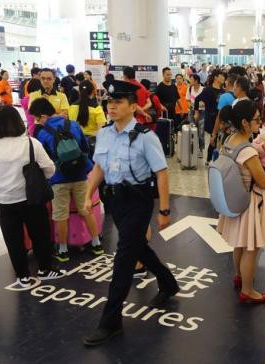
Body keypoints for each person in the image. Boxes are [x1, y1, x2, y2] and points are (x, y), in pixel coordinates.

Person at [82, 80, 179, 346]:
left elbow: (161, 172)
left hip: (138, 202)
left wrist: (164, 209)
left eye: (118, 102)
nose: (111, 106)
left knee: (123, 260)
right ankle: (168, 283)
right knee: (137, 248)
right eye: (109, 102)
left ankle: (110, 322)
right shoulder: (104, 134)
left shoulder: (146, 137)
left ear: (133, 106)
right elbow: (99, 167)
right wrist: (89, 193)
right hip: (114, 201)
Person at [0, 106, 65, 287]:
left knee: (13, 240)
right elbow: (50, 169)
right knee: (40, 235)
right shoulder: (31, 143)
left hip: (4, 201)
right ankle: (45, 269)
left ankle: (23, 276)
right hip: (32, 198)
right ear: (18, 121)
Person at [217, 100, 265, 303]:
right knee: (252, 247)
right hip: (252, 202)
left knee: (240, 243)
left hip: (235, 198)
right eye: (257, 120)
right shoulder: (248, 151)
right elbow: (264, 181)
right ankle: (248, 289)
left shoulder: (229, 140)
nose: (260, 124)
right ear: (244, 122)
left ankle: (241, 277)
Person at [29, 98, 103, 262]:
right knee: (86, 209)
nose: (36, 121)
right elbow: (85, 148)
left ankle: (62, 251)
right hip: (80, 175)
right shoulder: (73, 125)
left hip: (58, 179)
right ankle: (96, 244)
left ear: (42, 116)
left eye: (36, 118)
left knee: (60, 214)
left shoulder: (41, 132)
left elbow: (41, 159)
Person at [68, 80, 107, 158]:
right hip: (92, 144)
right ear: (93, 91)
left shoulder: (72, 107)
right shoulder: (97, 108)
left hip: (75, 143)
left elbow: (71, 125)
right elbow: (101, 130)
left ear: (79, 91)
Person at [194, 69, 225, 164]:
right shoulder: (208, 89)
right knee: (213, 137)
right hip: (211, 117)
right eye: (222, 75)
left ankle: (215, 158)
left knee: (219, 139)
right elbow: (197, 99)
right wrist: (196, 112)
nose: (223, 78)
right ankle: (209, 159)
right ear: (216, 77)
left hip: (221, 118)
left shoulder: (223, 91)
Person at [186, 74, 205, 155]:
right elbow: (188, 99)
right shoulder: (190, 89)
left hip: (201, 112)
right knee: (192, 131)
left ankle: (201, 149)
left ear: (196, 81)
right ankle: (192, 149)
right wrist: (190, 105)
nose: (190, 81)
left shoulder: (203, 90)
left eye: (191, 79)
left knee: (201, 132)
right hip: (192, 111)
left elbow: (206, 102)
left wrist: (200, 105)